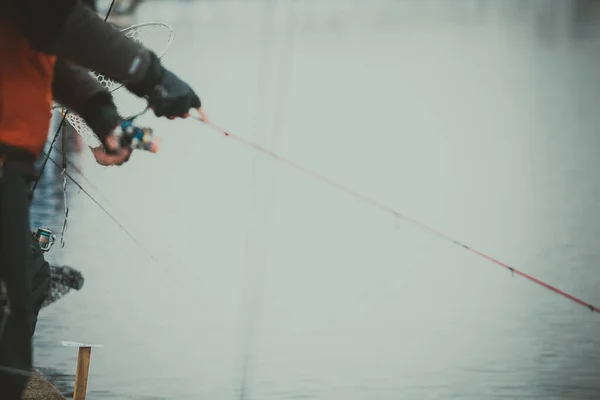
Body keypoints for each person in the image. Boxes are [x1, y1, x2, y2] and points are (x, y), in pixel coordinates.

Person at [0, 0, 202, 396]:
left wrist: (103, 115)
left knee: (28, 283)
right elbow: (49, 19)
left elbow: (41, 50)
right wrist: (149, 74)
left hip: (13, 166)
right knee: (15, 295)